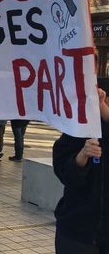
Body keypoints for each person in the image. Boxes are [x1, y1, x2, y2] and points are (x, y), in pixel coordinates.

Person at [53, 87, 109, 253]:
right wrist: (82, 157)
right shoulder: (78, 129)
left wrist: (104, 110)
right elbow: (66, 175)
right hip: (76, 231)